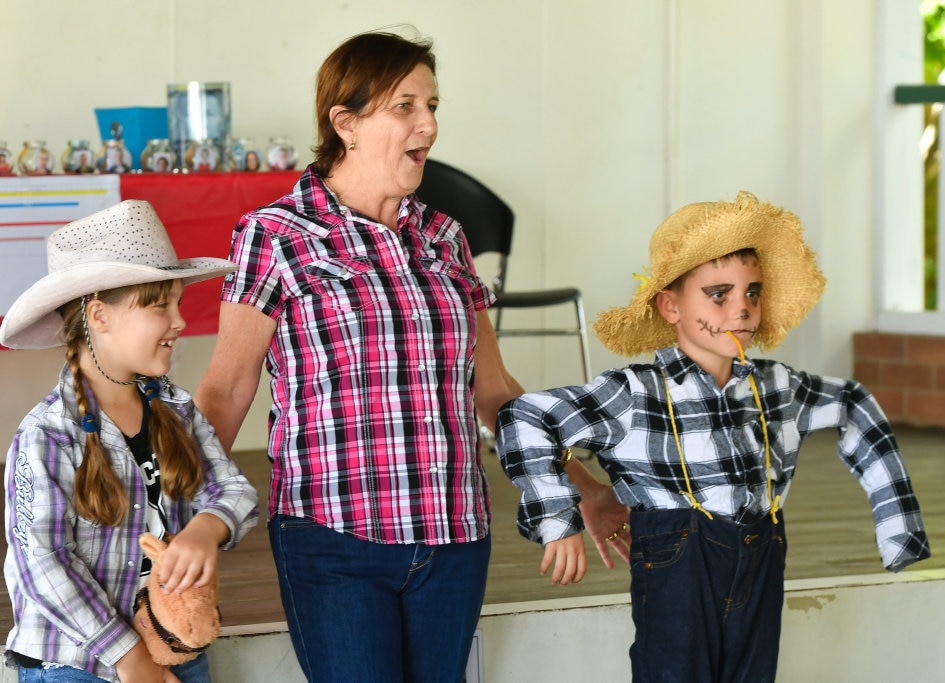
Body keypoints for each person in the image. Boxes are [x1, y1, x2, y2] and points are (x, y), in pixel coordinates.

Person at [193, 29, 628, 682]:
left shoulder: (445, 238)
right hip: (331, 536)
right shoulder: (274, 236)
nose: (427, 124)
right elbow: (226, 390)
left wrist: (583, 485)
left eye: (432, 105)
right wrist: (180, 514)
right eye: (404, 106)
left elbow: (496, 392)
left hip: (453, 534)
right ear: (346, 123)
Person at [495, 192, 932, 682]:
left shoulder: (779, 386)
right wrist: (558, 518)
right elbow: (524, 418)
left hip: (762, 558)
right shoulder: (635, 393)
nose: (741, 309)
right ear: (671, 306)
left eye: (753, 292)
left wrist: (898, 525)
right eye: (718, 294)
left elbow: (852, 403)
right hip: (678, 568)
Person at [0, 200, 259, 683]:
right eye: (160, 304)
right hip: (78, 664)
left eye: (178, 302)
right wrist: (129, 658)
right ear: (99, 316)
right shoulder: (48, 435)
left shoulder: (176, 411)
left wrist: (207, 529)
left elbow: (235, 491)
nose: (179, 321)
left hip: (171, 650)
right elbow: (43, 564)